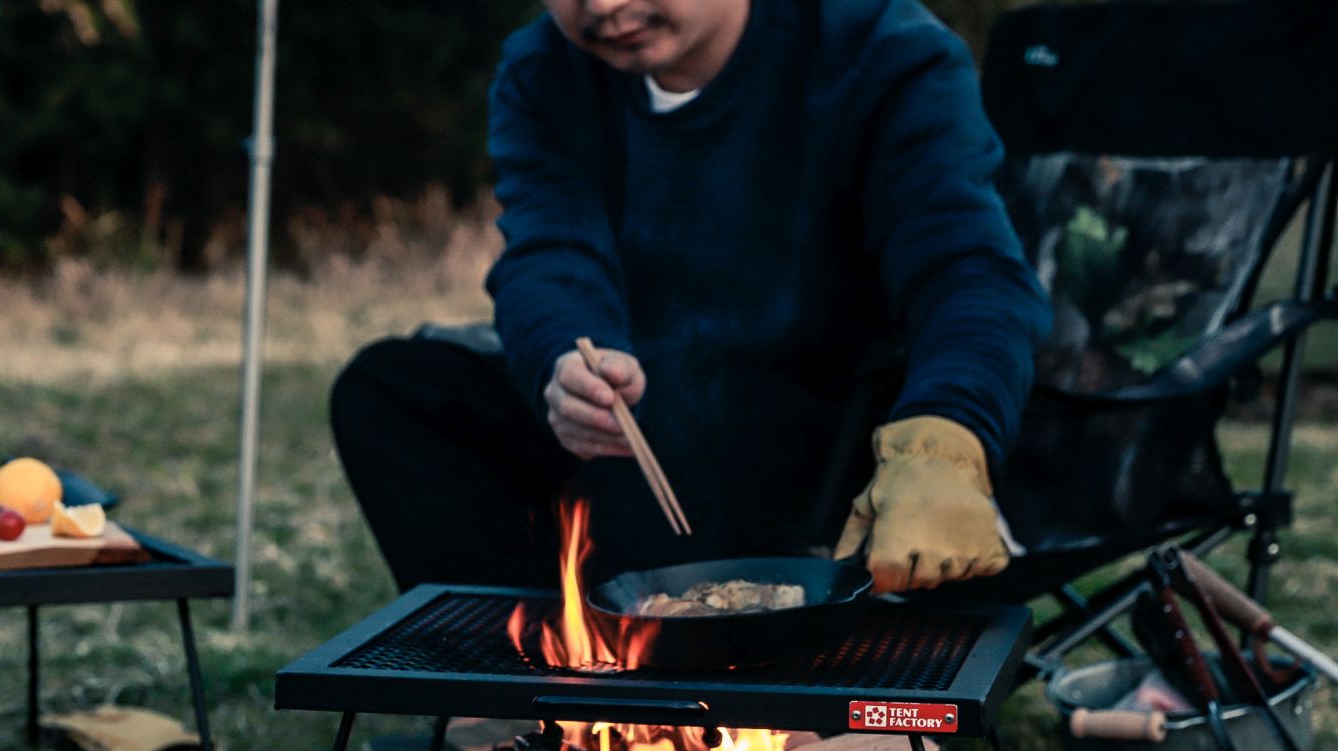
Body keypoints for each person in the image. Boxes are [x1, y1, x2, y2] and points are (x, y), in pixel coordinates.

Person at [330, 0, 1051, 595]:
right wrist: (564, 358)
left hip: (818, 433)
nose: (602, 8)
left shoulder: (883, 56)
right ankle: (519, 701)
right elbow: (550, 251)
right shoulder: (545, 68)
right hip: (639, 419)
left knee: (705, 442)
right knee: (395, 391)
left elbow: (966, 270)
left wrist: (947, 439)